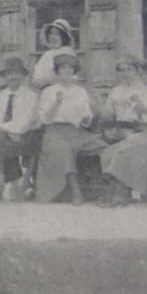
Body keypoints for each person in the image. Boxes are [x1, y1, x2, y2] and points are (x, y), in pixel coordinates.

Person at [33, 53, 106, 204]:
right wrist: (57, 103)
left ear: (74, 71)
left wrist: (88, 117)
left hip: (76, 132)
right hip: (54, 132)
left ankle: (104, 188)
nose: (66, 71)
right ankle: (75, 191)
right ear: (57, 71)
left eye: (70, 68)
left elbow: (85, 117)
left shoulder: (80, 92)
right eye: (62, 68)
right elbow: (44, 119)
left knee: (103, 147)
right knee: (66, 150)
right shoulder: (49, 91)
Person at [100, 59, 147, 204]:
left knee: (126, 150)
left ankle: (119, 194)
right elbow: (133, 116)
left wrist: (143, 109)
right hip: (142, 131)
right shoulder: (144, 92)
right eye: (142, 75)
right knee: (111, 151)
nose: (144, 78)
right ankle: (116, 191)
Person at [0, 57, 41, 201]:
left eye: (17, 73)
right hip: (5, 139)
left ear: (23, 76)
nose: (13, 77)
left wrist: (2, 128)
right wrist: (6, 130)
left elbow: (23, 123)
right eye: (10, 73)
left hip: (26, 139)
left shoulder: (31, 97)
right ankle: (1, 179)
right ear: (5, 77)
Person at [31, 19, 79, 88]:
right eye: (51, 33)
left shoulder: (68, 53)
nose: (53, 37)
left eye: (57, 34)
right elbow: (36, 79)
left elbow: (69, 77)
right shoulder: (47, 54)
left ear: (64, 37)